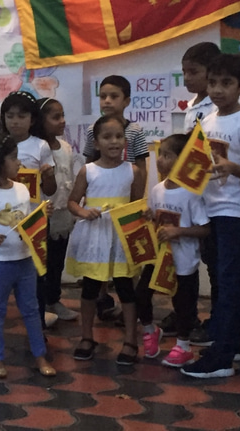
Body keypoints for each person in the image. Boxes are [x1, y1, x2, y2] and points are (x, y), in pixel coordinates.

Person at [182, 53, 240, 379]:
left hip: (235, 213)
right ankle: (238, 342)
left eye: (226, 83)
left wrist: (232, 167)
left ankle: (221, 359)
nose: (218, 90)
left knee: (230, 283)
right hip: (211, 209)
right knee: (222, 280)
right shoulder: (208, 121)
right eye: (213, 82)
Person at [0, 133, 56, 379]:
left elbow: (26, 223)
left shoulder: (22, 190)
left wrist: (42, 214)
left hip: (25, 261)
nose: (19, 163)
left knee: (32, 310)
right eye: (13, 158)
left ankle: (40, 355)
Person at [67, 114, 146, 365]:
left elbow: (137, 205)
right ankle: (86, 337)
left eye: (119, 136)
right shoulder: (88, 171)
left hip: (121, 239)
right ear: (96, 143)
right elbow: (72, 201)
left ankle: (130, 341)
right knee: (90, 288)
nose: (114, 141)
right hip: (95, 237)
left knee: (126, 288)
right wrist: (83, 212)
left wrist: (144, 214)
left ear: (126, 141)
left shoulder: (132, 171)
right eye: (107, 137)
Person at [135, 133, 209, 367]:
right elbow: (157, 219)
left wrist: (179, 231)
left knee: (183, 304)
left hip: (184, 260)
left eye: (167, 156)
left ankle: (183, 346)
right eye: (160, 154)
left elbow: (205, 229)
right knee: (141, 294)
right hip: (158, 257)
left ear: (183, 160)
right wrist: (150, 216)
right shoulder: (157, 190)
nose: (160, 160)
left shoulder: (191, 193)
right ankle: (150, 330)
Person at [82, 75, 149, 321]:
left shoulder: (135, 130)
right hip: (100, 201)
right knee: (100, 254)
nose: (107, 101)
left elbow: (141, 166)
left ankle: (131, 306)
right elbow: (89, 162)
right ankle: (103, 299)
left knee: (126, 259)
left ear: (126, 101)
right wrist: (87, 198)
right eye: (103, 96)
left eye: (114, 96)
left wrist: (137, 202)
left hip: (125, 199)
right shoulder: (93, 130)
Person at [171, 41, 220, 342]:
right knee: (189, 258)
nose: (187, 78)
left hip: (213, 196)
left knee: (216, 265)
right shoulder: (192, 105)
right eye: (184, 72)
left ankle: (219, 321)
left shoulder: (215, 107)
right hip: (192, 195)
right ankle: (186, 314)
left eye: (194, 72)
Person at [0, 91, 58, 328]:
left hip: (34, 220)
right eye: (10, 116)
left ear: (32, 120)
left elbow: (50, 190)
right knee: (4, 269)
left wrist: (48, 175)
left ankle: (38, 320)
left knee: (37, 272)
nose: (15, 121)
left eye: (21, 116)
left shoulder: (40, 146)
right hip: (4, 219)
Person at [36, 98, 80, 322]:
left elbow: (69, 178)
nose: (62, 121)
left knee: (56, 260)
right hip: (42, 214)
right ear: (40, 121)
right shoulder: (36, 148)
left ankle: (54, 299)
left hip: (62, 213)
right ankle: (39, 304)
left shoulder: (66, 147)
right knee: (40, 262)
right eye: (55, 117)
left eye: (63, 116)